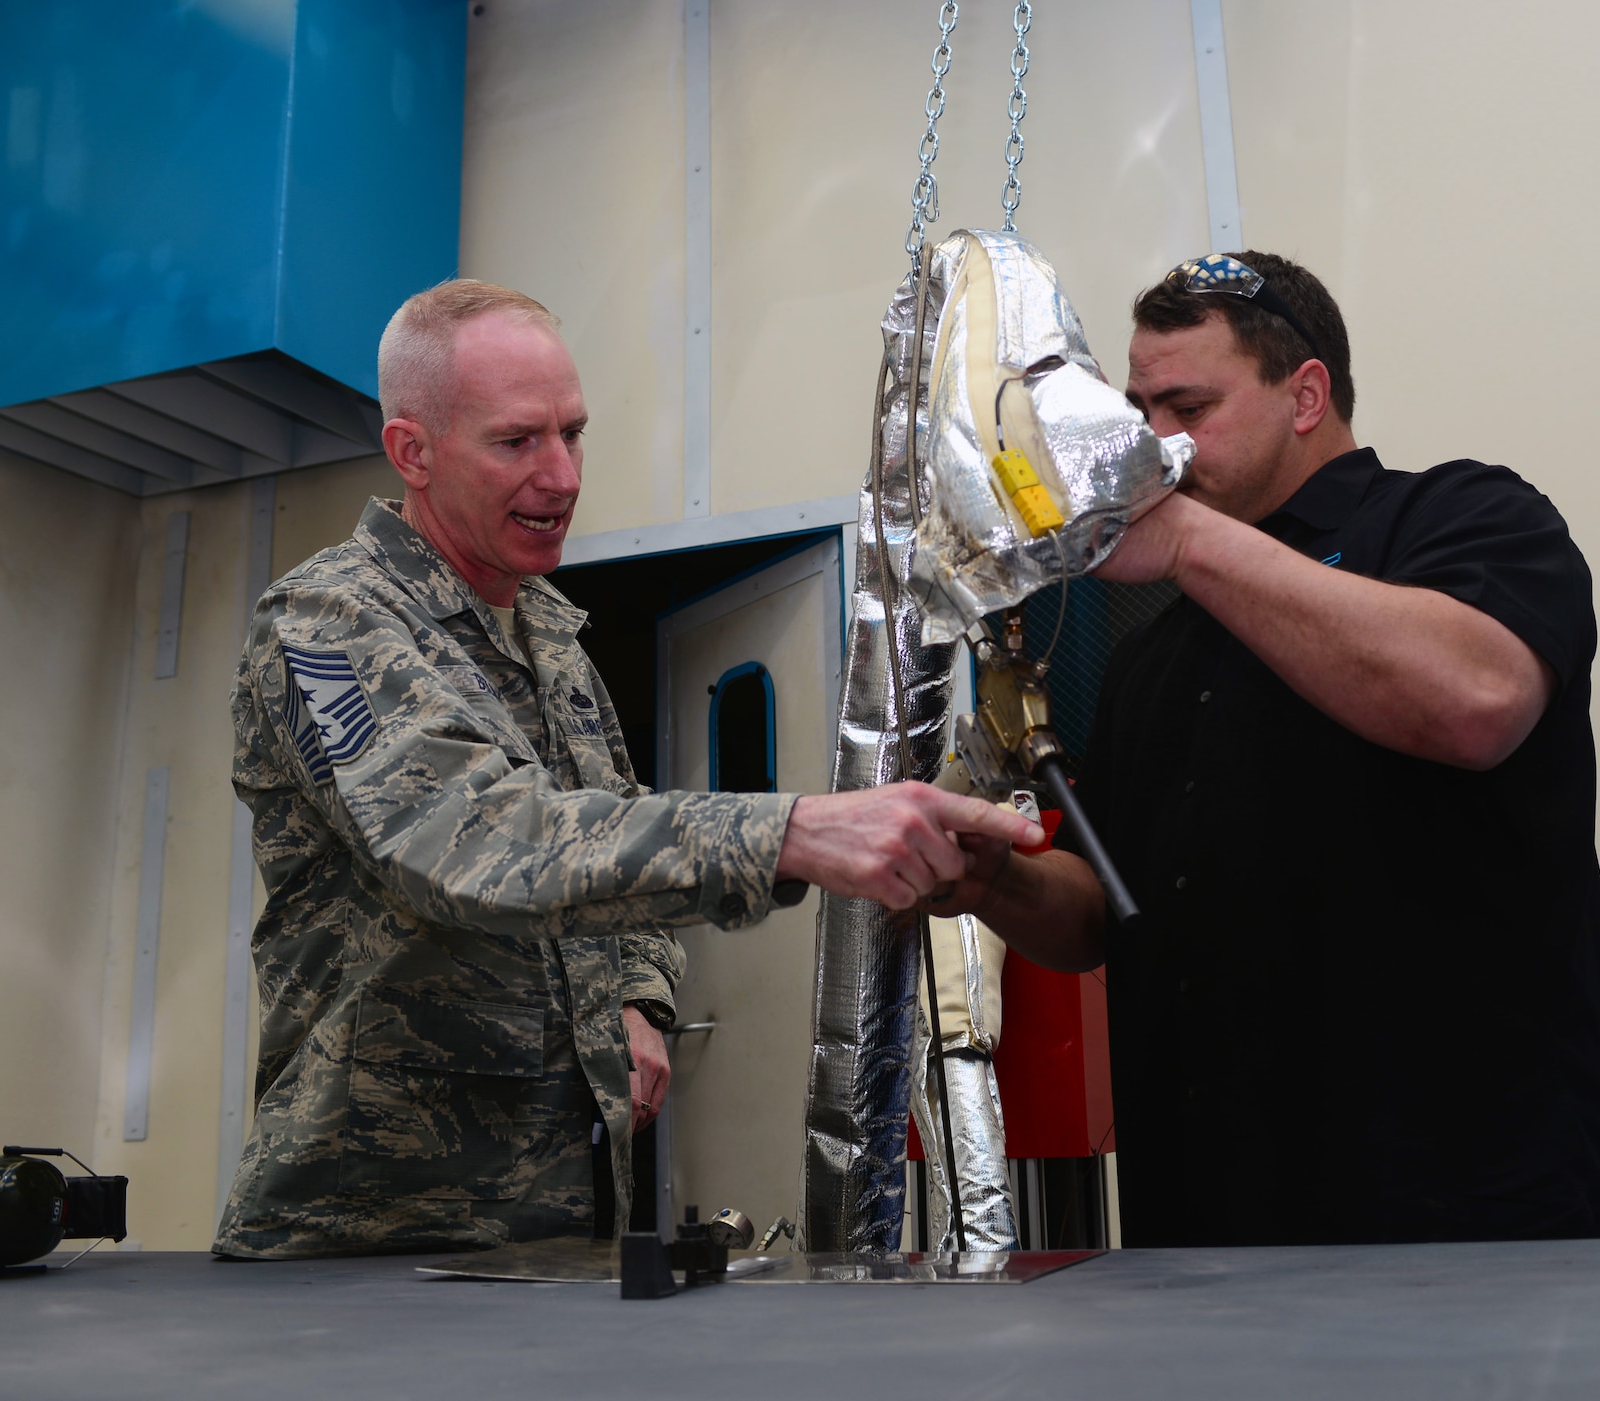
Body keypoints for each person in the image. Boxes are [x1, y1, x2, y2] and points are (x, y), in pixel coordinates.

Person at [214, 280, 1035, 1258]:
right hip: (368, 1235)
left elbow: (610, 837)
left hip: (553, 1222)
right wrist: (798, 832)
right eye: (517, 441)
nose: (560, 475)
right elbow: (471, 841)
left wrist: (636, 999)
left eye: (573, 433)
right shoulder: (326, 622)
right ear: (413, 454)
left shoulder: (550, 636)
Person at [935, 252, 1600, 1246]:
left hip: (1470, 1232)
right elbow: (1102, 912)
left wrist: (1188, 543)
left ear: (1304, 395)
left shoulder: (1462, 519)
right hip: (1212, 1233)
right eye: (1136, 410)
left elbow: (1475, 699)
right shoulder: (1152, 654)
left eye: (1185, 407)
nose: (1150, 444)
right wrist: (990, 881)